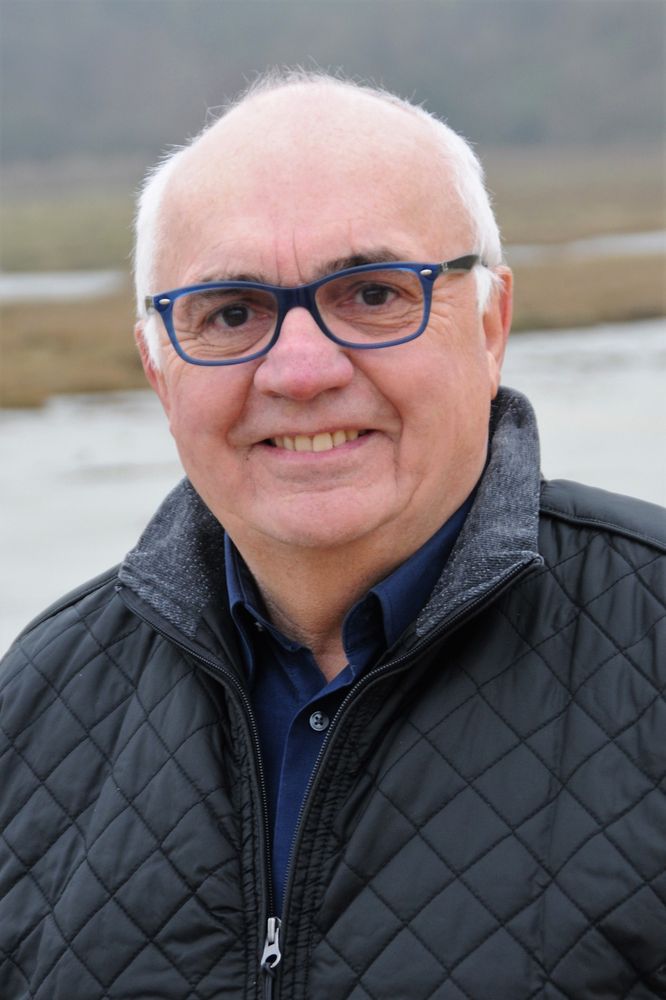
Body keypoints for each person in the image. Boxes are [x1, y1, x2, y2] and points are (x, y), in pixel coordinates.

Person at [1, 70, 664, 1000]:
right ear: (158, 372)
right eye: (232, 313)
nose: (302, 370)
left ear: (490, 326)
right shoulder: (35, 708)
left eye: (374, 294)